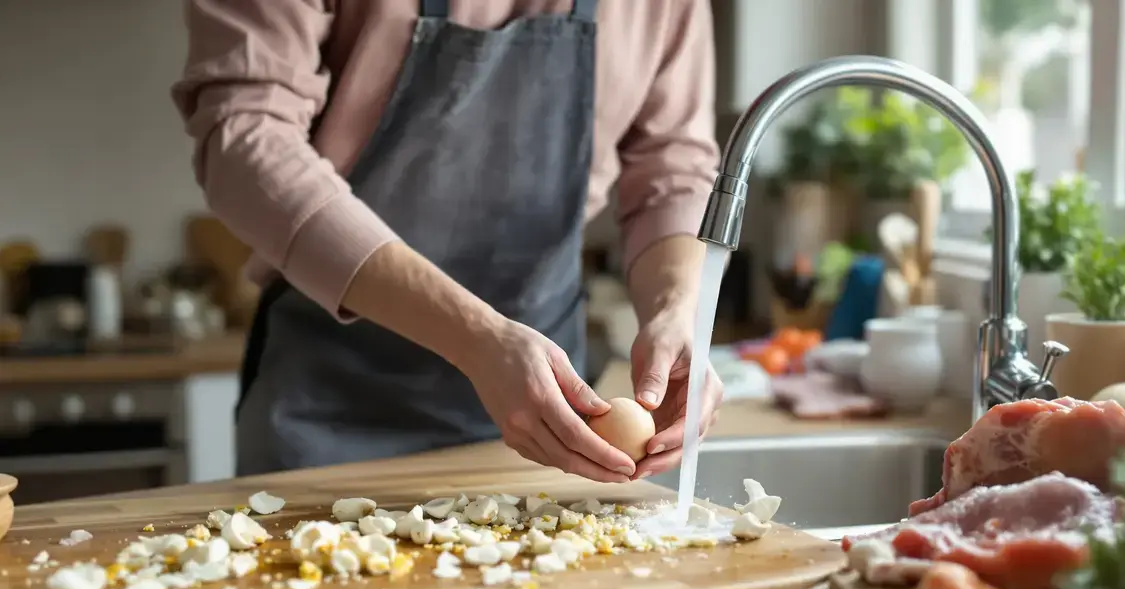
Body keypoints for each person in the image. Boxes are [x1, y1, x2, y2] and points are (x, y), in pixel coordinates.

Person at [171, 0, 724, 483]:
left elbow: (670, 167)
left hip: (554, 426)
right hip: (327, 415)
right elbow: (246, 139)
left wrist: (675, 310)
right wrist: (477, 338)